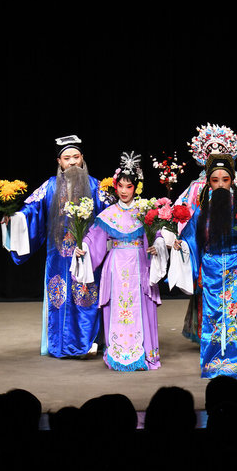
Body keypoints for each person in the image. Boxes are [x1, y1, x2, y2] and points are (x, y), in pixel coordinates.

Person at [2, 135, 108, 358]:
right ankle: (60, 344)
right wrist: (14, 217)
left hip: (87, 256)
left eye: (76, 157)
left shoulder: (96, 186)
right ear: (59, 161)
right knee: (59, 299)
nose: (71, 162)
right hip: (58, 259)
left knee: (86, 298)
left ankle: (89, 344)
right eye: (66, 158)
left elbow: (110, 216)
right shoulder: (49, 186)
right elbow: (30, 210)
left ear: (82, 159)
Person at [179, 152, 237, 379]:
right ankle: (214, 364)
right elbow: (191, 241)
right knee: (213, 318)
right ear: (208, 183)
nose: (220, 185)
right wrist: (178, 245)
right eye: (215, 180)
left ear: (232, 181)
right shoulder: (201, 211)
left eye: (225, 180)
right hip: (211, 271)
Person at [72, 153, 162, 370]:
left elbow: (157, 236)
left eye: (128, 186)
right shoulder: (108, 214)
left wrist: (156, 247)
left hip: (139, 264)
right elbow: (94, 239)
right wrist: (82, 247)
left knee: (139, 305)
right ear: (115, 186)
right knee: (118, 308)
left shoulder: (145, 210)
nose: (123, 191)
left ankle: (145, 354)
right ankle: (117, 352)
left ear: (136, 188)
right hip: (115, 265)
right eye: (120, 186)